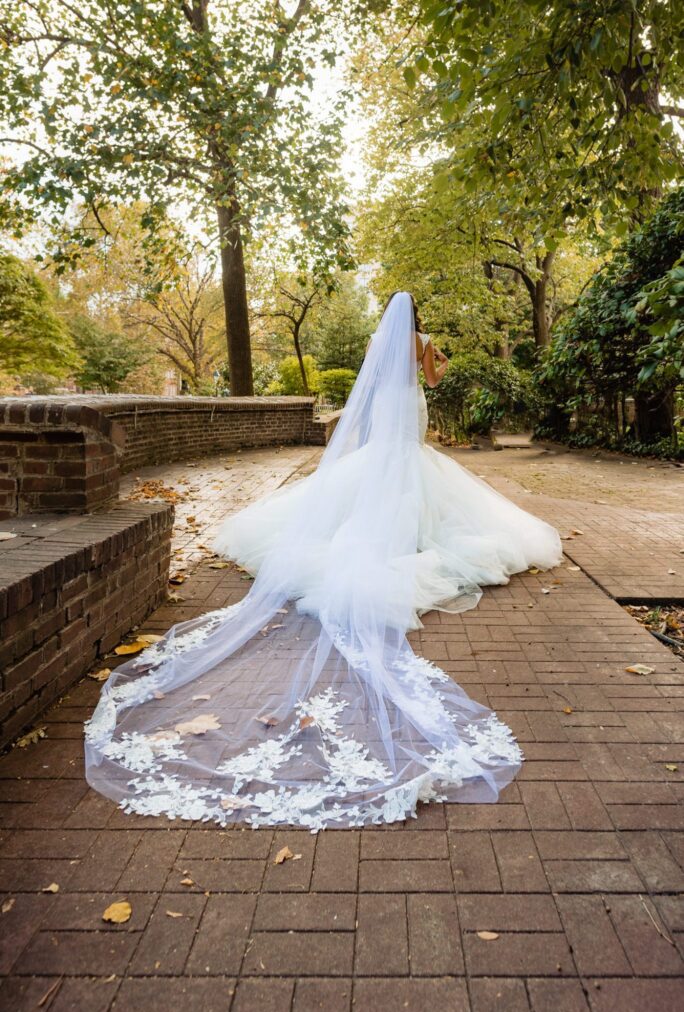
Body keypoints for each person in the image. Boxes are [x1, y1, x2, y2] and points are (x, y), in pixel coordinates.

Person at [85, 292, 562, 831]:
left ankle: (373, 536)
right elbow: (431, 384)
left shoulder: (379, 341)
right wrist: (434, 358)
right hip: (408, 426)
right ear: (418, 318)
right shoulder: (423, 343)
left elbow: (370, 390)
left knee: (367, 490)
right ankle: (406, 542)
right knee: (419, 489)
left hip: (386, 425)